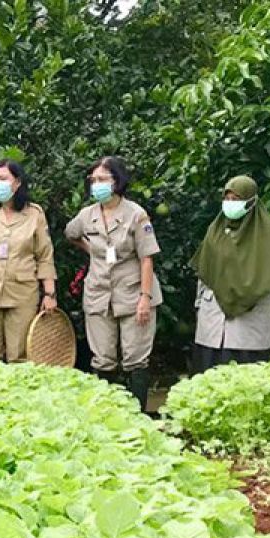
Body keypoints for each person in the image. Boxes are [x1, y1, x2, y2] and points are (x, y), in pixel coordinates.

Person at [65, 156, 160, 410]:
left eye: (102, 179)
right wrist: (93, 252)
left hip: (133, 291)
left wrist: (145, 297)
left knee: (135, 357)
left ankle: (138, 414)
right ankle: (106, 415)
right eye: (93, 180)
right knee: (102, 358)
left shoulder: (136, 214)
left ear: (117, 181)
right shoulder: (87, 215)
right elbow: (70, 233)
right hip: (99, 293)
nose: (96, 184)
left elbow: (147, 258)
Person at [191, 175, 270, 373]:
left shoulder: (267, 235)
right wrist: (199, 306)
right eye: (227, 199)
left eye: (237, 199)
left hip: (248, 323)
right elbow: (205, 271)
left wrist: (247, 291)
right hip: (213, 319)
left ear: (251, 201)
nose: (230, 204)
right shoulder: (215, 230)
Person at [0, 159, 56, 362]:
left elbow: (44, 256)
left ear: (17, 183)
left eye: (3, 178)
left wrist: (49, 293)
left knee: (21, 356)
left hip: (23, 294)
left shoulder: (34, 214)